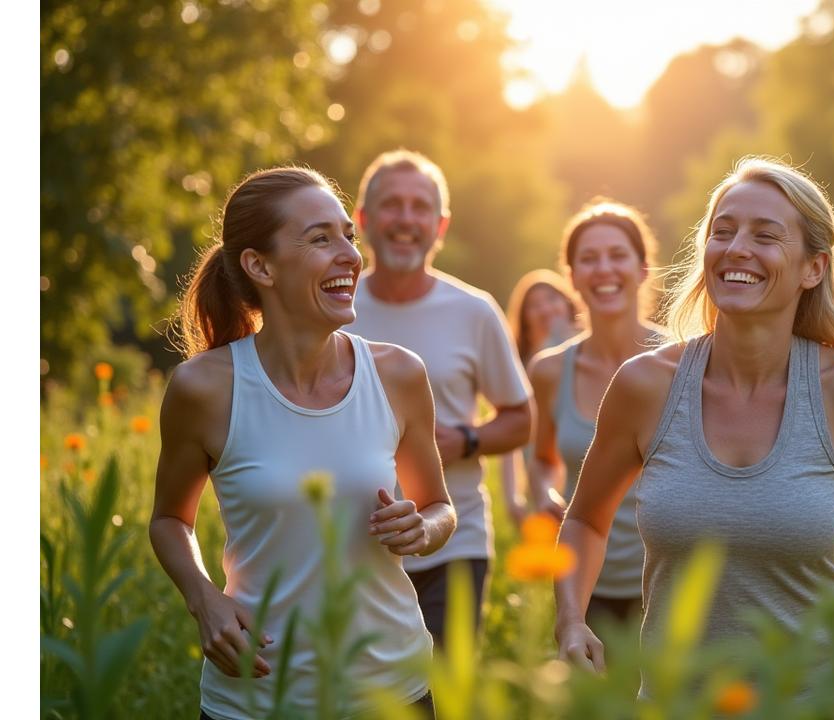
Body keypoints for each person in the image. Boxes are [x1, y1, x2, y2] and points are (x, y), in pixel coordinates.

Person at [554, 157, 834, 695]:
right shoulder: (644, 386)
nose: (737, 247)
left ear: (812, 268)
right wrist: (570, 618)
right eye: (723, 231)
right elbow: (585, 522)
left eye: (765, 235)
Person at [150, 167, 456, 719]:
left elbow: (439, 507)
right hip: (257, 695)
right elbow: (170, 520)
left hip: (390, 692)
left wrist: (424, 528)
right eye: (320, 239)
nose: (350, 255)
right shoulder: (204, 388)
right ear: (259, 265)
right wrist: (204, 599)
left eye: (348, 236)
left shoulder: (399, 374)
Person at [343, 149, 533, 653]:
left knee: (444, 694)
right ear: (362, 219)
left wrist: (467, 439)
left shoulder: (474, 311)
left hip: (454, 541)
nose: (406, 219)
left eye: (420, 207)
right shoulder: (333, 306)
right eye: (392, 205)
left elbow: (521, 420)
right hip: (349, 544)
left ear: (440, 224)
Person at [527, 199, 662, 630]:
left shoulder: (688, 357)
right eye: (589, 259)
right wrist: (546, 495)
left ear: (642, 269)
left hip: (673, 585)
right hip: (585, 588)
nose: (603, 268)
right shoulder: (549, 370)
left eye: (618, 255)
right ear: (572, 278)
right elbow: (542, 459)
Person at [500, 269, 581, 527]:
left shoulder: (588, 355)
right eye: (534, 305)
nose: (545, 309)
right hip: (540, 476)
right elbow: (509, 441)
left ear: (568, 304)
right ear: (524, 319)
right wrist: (513, 495)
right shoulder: (519, 367)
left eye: (551, 299)